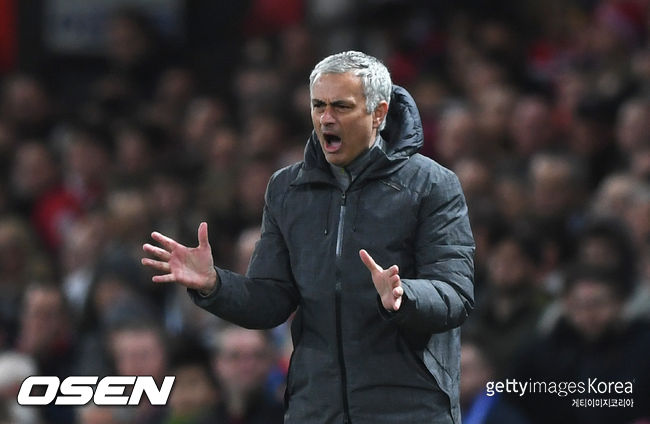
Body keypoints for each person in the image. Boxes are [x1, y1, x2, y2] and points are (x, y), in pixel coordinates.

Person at [142, 50, 475, 423]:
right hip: (316, 409)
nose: (326, 118)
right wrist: (215, 285)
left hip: (408, 409)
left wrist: (404, 295)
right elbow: (271, 300)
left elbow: (455, 293)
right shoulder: (287, 188)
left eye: (341, 106)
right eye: (318, 105)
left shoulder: (432, 185)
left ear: (378, 114)